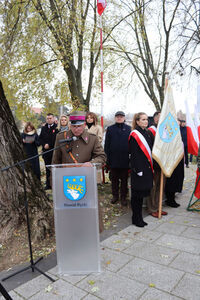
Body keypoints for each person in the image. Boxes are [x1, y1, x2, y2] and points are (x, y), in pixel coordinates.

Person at [52, 111, 106, 233]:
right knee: (70, 210)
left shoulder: (92, 139)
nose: (77, 129)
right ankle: (72, 233)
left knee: (88, 209)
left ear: (84, 125)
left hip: (86, 182)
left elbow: (102, 157)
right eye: (74, 126)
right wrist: (54, 183)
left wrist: (91, 163)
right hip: (67, 182)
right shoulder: (61, 137)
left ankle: (90, 233)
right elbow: (55, 161)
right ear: (70, 125)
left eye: (79, 126)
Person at [129, 112, 154, 227]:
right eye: (143, 119)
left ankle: (139, 218)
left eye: (146, 119)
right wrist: (138, 169)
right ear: (137, 121)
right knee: (137, 195)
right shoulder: (135, 134)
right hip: (139, 169)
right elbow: (134, 154)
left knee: (142, 194)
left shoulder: (147, 133)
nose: (146, 121)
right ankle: (136, 218)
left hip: (147, 168)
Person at [104, 111, 131, 206]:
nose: (119, 118)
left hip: (125, 160)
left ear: (124, 118)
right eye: (117, 116)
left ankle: (123, 197)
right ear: (115, 118)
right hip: (113, 159)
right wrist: (107, 158)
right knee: (114, 180)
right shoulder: (110, 129)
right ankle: (115, 196)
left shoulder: (129, 129)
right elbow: (106, 145)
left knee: (124, 181)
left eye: (121, 116)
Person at [147, 112, 168, 218]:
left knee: (161, 187)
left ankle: (159, 207)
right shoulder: (150, 131)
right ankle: (152, 208)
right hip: (155, 164)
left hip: (163, 164)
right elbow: (149, 149)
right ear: (155, 119)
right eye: (160, 117)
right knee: (154, 188)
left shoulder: (165, 130)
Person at [39, 113, 58, 189]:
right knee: (47, 169)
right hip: (46, 152)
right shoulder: (43, 128)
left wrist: (49, 144)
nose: (49, 120)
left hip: (53, 151)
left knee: (54, 169)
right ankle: (48, 185)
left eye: (50, 118)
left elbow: (56, 139)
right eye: (47, 118)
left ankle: (55, 184)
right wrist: (44, 145)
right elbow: (40, 138)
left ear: (53, 119)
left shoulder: (56, 127)